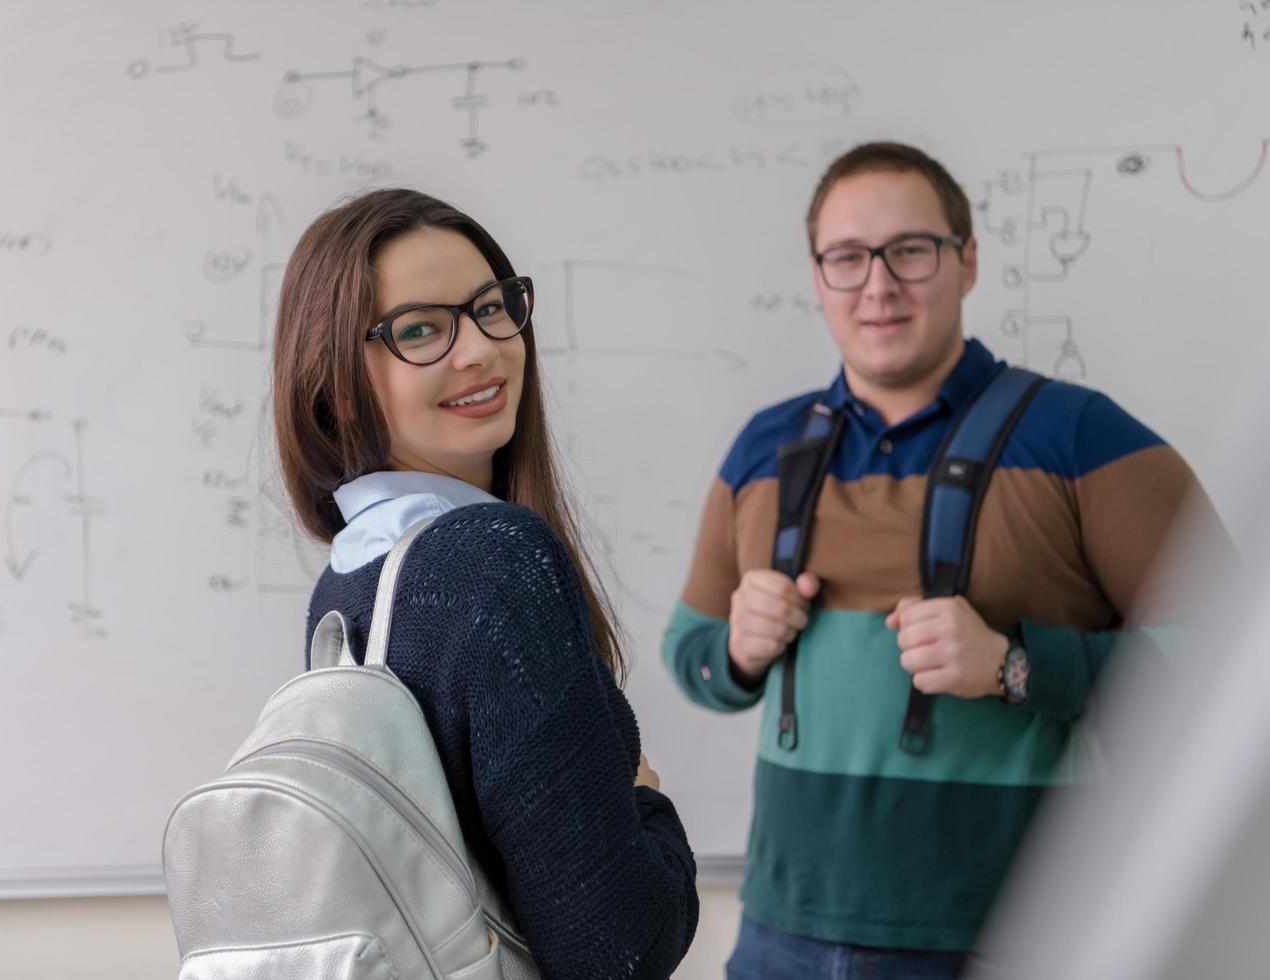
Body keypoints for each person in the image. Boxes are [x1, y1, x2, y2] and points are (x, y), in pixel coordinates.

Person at [662, 142, 1226, 978]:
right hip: (780, 932)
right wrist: (736, 653)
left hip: (1012, 933)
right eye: (847, 258)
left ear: (966, 262)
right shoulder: (764, 447)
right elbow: (690, 652)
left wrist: (1015, 665)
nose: (878, 286)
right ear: (818, 278)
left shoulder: (1083, 438)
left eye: (910, 251)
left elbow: (1232, 669)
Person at [272, 187, 700, 978]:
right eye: (422, 330)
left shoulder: (344, 585)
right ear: (334, 376)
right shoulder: (494, 560)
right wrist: (644, 802)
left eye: (491, 308)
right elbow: (620, 951)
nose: (480, 349)